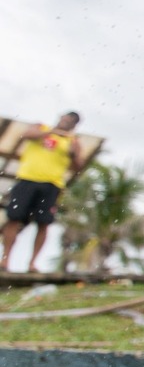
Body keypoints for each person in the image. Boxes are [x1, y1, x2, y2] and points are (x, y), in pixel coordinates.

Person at [2, 111, 87, 273]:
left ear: (75, 126)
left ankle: (32, 263)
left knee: (44, 223)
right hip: (27, 180)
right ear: (61, 117)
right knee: (13, 218)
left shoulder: (73, 141)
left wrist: (73, 151)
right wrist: (51, 132)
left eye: (71, 122)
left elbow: (78, 167)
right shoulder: (41, 127)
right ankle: (5, 260)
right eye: (66, 118)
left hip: (52, 185)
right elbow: (27, 135)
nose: (67, 122)